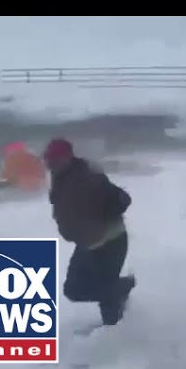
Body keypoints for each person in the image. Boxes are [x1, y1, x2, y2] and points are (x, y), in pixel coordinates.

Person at [43, 138, 136, 326]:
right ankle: (119, 289)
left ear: (68, 157)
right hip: (88, 243)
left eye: (55, 160)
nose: (51, 164)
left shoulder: (87, 177)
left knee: (104, 296)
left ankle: (116, 334)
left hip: (110, 241)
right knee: (74, 289)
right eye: (49, 160)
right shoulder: (61, 177)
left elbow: (119, 199)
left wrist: (102, 214)